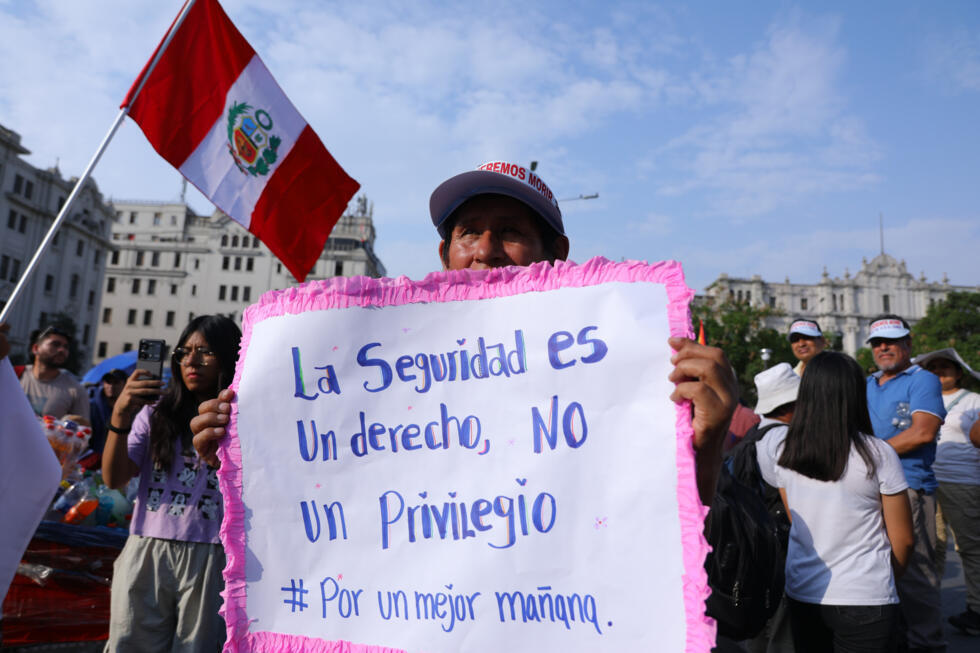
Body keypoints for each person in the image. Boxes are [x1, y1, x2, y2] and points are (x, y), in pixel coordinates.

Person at [191, 161, 739, 508]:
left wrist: (707, 445)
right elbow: (343, 497)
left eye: (510, 232)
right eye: (468, 232)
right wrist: (247, 457)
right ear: (444, 255)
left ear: (557, 255)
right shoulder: (386, 370)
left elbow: (659, 530)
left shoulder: (617, 366)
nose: (485, 251)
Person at [756, 351, 914, 653]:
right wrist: (880, 578)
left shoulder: (783, 453)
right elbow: (904, 540)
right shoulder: (878, 453)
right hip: (866, 596)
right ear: (855, 393)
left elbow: (798, 520)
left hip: (804, 593)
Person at [102, 315, 241, 652]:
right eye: (184, 351)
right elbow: (115, 478)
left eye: (205, 351)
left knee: (198, 647)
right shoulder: (155, 413)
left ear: (229, 356)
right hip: (145, 548)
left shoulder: (241, 416)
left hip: (213, 553)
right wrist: (120, 416)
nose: (191, 360)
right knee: (128, 645)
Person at [864, 314, 946, 652]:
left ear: (908, 344)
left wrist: (864, 454)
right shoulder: (868, 382)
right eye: (877, 343)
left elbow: (923, 431)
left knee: (914, 573)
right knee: (878, 567)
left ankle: (928, 645)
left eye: (892, 341)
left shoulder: (922, 379)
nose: (884, 348)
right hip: (868, 487)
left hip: (908, 486)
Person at [729, 363, 799, 653]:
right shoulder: (784, 440)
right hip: (781, 541)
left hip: (757, 539)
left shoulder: (755, 435)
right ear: (791, 404)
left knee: (762, 623)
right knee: (783, 629)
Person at [914, 348, 980, 637]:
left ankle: (977, 609)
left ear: (959, 372)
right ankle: (928, 608)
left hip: (963, 481)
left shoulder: (975, 400)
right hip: (928, 480)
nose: (940, 372)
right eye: (934, 367)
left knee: (970, 546)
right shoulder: (920, 398)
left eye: (946, 367)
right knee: (931, 547)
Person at [19, 325, 89, 421]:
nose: (62, 350)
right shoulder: (14, 376)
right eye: (55, 344)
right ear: (35, 348)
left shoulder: (76, 391)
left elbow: (83, 429)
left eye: (66, 347)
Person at [88, 369, 128, 462]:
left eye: (116, 382)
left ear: (125, 385)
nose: (111, 386)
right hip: (94, 459)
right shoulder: (92, 406)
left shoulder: (131, 408)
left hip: (119, 459)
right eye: (108, 382)